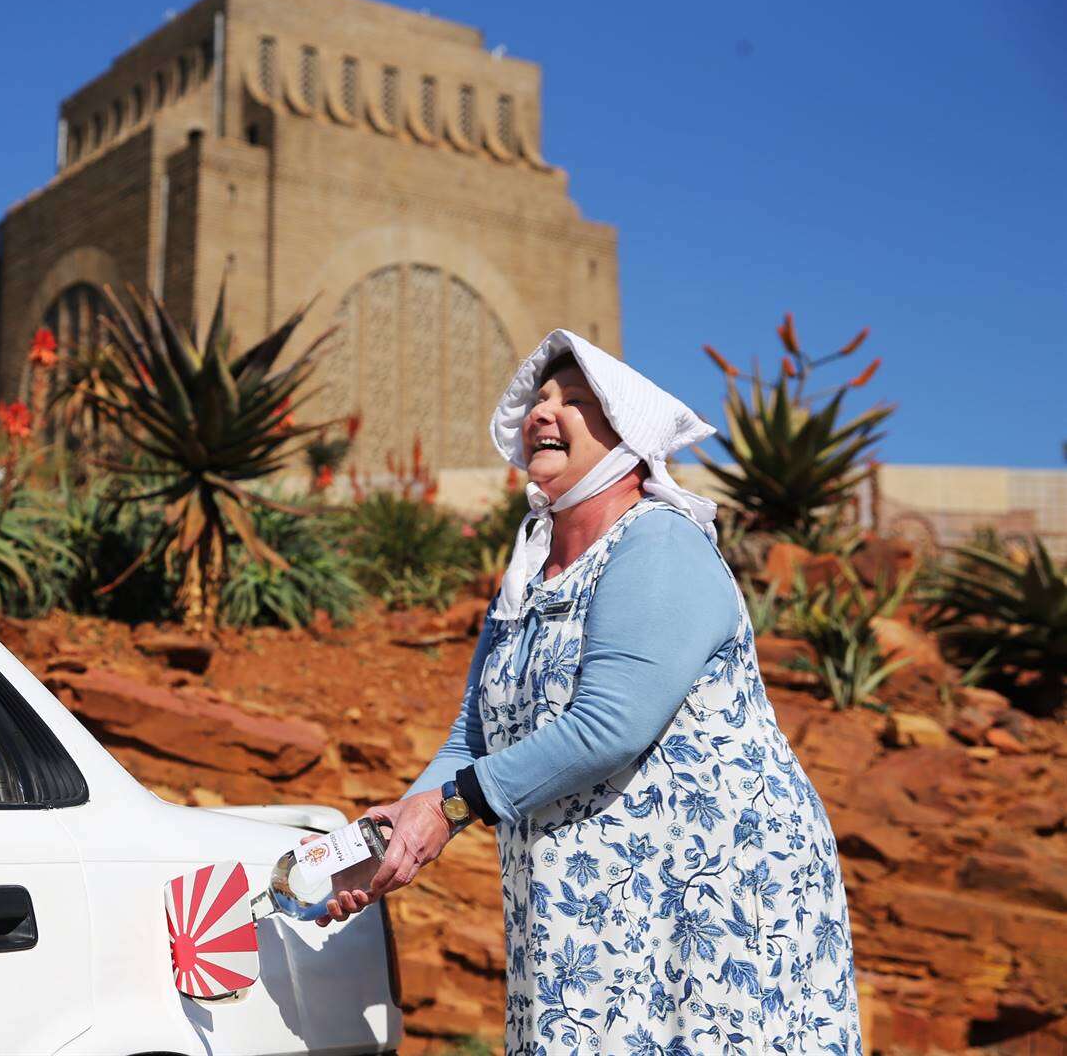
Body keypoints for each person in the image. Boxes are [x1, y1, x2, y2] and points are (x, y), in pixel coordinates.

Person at [319, 329, 862, 1055]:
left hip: (705, 891)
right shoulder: (528, 578)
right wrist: (395, 837)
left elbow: (611, 724)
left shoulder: (658, 543)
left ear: (627, 439)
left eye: (575, 402)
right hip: (588, 897)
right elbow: (474, 739)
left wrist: (450, 810)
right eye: (540, 399)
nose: (545, 412)